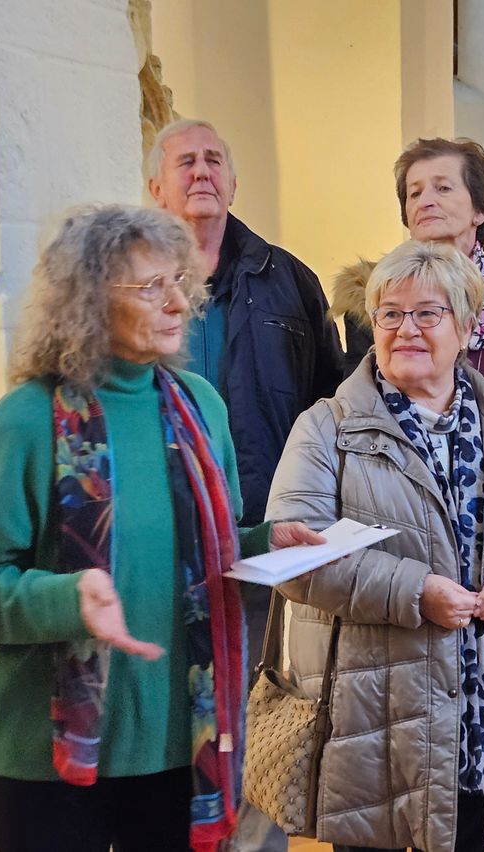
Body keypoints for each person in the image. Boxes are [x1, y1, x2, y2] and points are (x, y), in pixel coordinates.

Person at [0, 206, 322, 852]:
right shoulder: (27, 421)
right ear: (87, 302)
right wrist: (65, 600)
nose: (179, 302)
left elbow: (214, 546)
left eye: (180, 280)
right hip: (51, 758)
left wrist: (267, 542)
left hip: (186, 745)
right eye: (152, 288)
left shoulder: (200, 407)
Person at [268, 240, 484, 851]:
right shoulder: (326, 428)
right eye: (390, 313)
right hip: (375, 724)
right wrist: (415, 592)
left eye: (428, 313)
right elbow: (296, 558)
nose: (406, 329)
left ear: (467, 328)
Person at [147, 118, 344, 851]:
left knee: (265, 712)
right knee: (171, 713)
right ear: (155, 186)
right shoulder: (133, 279)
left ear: (234, 181)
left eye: (215, 160)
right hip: (159, 543)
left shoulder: (286, 279)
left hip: (264, 535)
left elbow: (327, 401)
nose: (202, 171)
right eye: (185, 160)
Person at [330, 137, 484, 645]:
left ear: (480, 208)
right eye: (414, 192)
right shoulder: (376, 298)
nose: (425, 200)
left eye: (443, 187)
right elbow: (356, 407)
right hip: (411, 510)